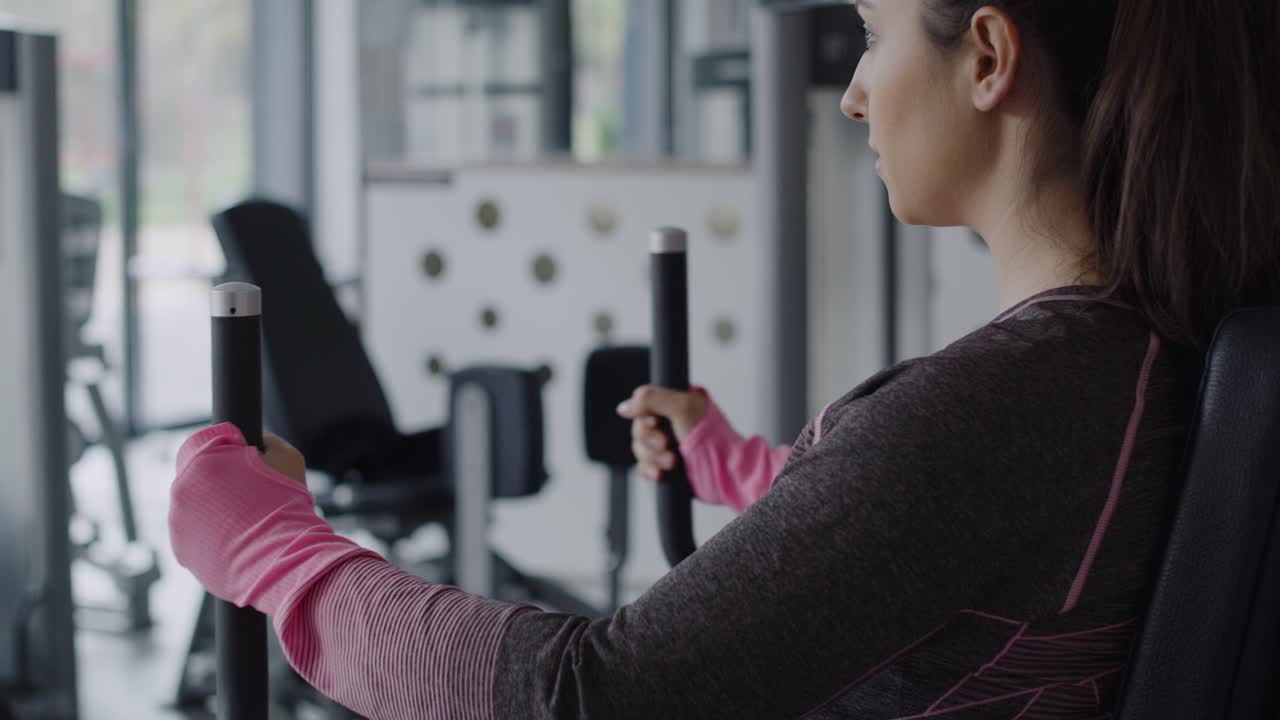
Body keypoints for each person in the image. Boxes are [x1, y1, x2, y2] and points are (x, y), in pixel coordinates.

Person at [168, 0, 1280, 717]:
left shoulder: (1014, 398)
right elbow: (967, 556)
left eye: (871, 34)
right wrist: (751, 471)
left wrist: (275, 555)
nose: (851, 91)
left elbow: (587, 700)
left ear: (986, 58)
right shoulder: (1124, 361)